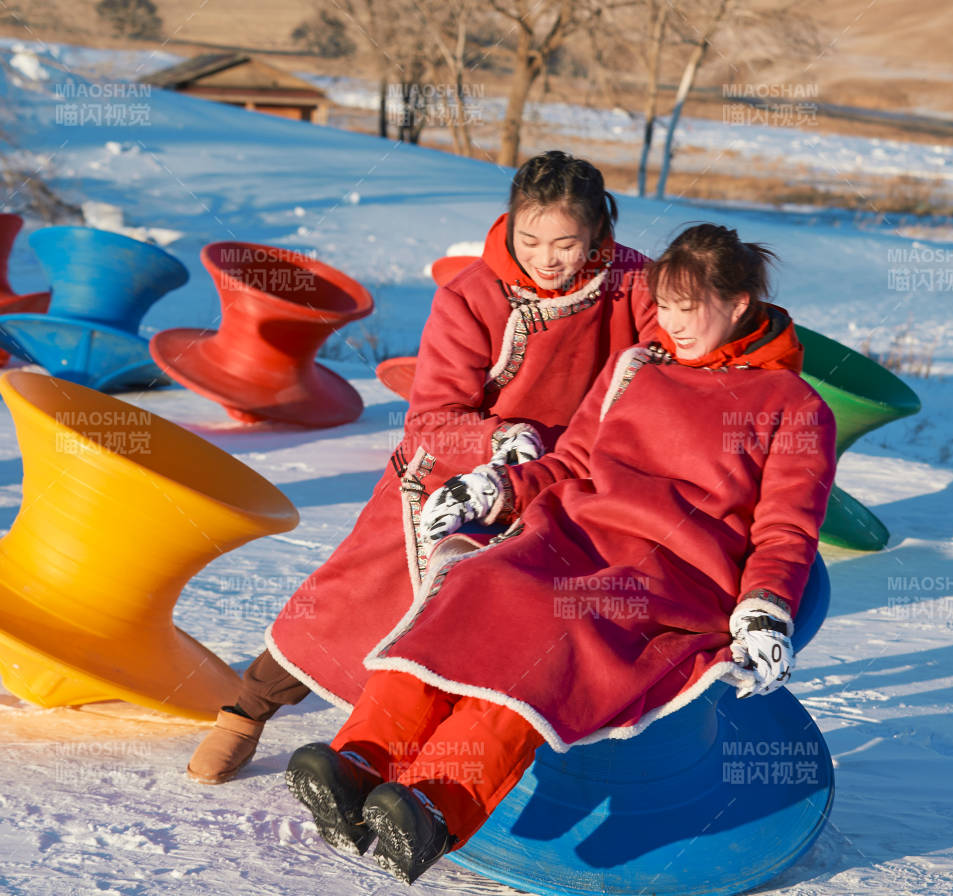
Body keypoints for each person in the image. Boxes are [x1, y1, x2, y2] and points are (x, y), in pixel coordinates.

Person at [284, 224, 837, 883]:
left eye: (690, 308)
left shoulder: (795, 406)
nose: (672, 322)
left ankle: (438, 803)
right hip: (576, 533)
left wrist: (766, 606)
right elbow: (571, 462)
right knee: (476, 582)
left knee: (560, 625)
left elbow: (787, 527)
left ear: (739, 304)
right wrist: (498, 487)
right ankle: (360, 762)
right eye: (663, 304)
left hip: (671, 572)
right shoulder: (638, 364)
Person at [187, 151, 660, 784]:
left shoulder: (636, 283)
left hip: (570, 476)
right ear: (509, 223)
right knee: (347, 607)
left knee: (531, 619)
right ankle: (246, 711)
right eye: (530, 239)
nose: (548, 257)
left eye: (567, 242)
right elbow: (431, 416)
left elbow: (671, 351)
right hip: (453, 471)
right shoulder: (473, 295)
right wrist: (506, 441)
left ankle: (464, 755)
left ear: (600, 231)